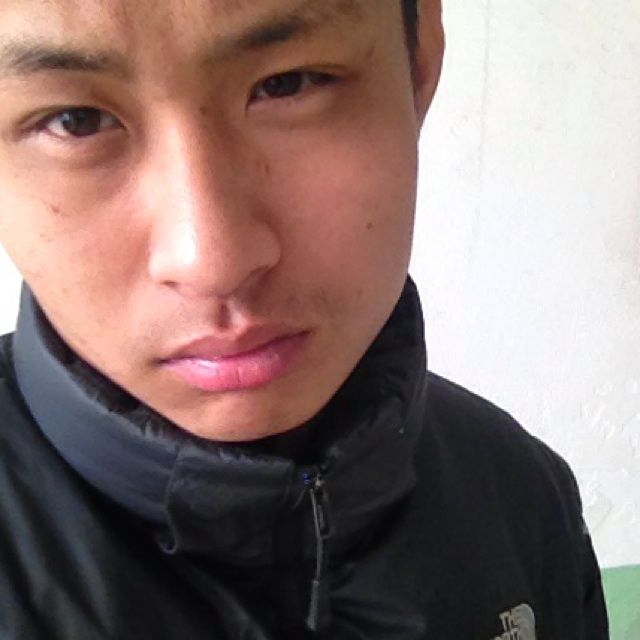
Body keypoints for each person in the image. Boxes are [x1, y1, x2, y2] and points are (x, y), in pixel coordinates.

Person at [0, 0, 608, 638]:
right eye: (75, 122)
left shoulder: (522, 497)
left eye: (287, 84)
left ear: (420, 61)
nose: (213, 261)